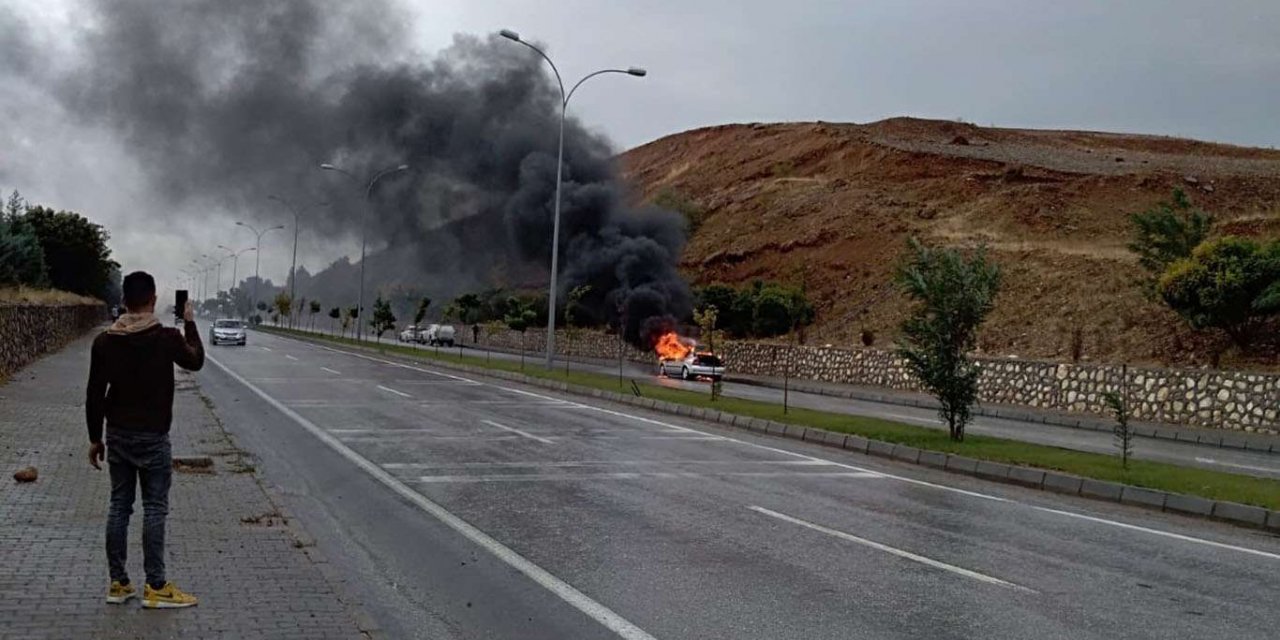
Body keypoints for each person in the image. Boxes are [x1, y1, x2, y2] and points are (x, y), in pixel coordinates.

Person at [86, 271, 204, 609]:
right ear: (152, 300)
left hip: (118, 436)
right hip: (153, 438)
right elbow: (195, 361)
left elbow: (94, 394)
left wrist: (96, 439)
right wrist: (190, 323)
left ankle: (118, 583)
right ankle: (155, 586)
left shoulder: (105, 341)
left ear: (124, 301)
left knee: (119, 507)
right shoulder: (165, 337)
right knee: (154, 509)